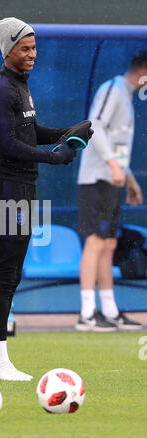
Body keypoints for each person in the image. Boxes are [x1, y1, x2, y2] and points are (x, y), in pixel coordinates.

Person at [0, 17, 93, 381]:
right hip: (7, 190)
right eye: (25, 48)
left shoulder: (20, 86)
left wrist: (66, 132)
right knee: (5, 274)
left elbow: (28, 131)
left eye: (34, 47)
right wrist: (53, 156)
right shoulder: (0, 88)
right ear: (8, 50)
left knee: (12, 274)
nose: (33, 54)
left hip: (24, 189)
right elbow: (8, 143)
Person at [75, 50, 147, 332]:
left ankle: (110, 311)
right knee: (95, 241)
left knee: (109, 243)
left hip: (112, 181)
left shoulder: (127, 99)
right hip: (95, 179)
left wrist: (127, 178)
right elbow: (95, 127)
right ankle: (86, 314)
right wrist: (113, 167)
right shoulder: (112, 89)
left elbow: (117, 146)